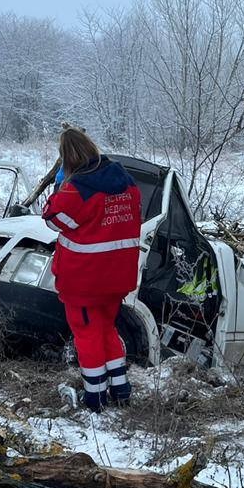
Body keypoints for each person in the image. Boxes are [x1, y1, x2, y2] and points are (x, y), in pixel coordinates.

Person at [42, 129, 142, 412]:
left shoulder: (78, 189)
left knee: (87, 336)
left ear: (67, 159)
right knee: (107, 329)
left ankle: (95, 399)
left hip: (84, 280)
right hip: (117, 278)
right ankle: (121, 391)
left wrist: (59, 188)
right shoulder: (127, 183)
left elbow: (52, 218)